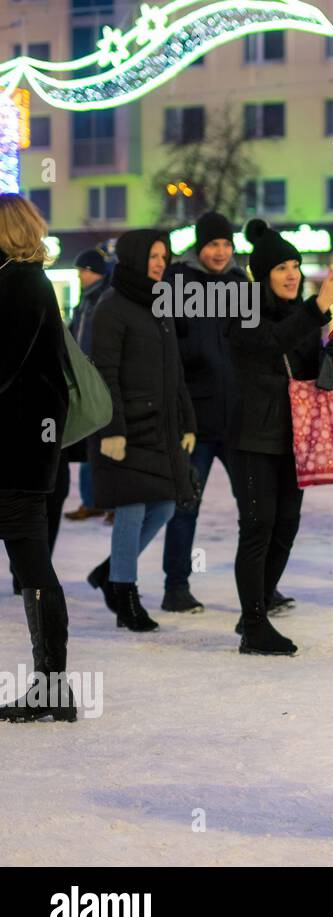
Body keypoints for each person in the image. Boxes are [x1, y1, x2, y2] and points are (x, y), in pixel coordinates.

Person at [224, 220, 333, 653]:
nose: (291, 274)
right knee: (258, 525)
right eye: (281, 267)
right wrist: (318, 308)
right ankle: (255, 623)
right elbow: (269, 343)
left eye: (295, 266)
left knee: (287, 525)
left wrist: (330, 353)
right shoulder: (241, 308)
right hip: (252, 434)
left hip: (296, 434)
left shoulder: (302, 313)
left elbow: (301, 370)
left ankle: (255, 612)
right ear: (262, 275)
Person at [86, 230, 196, 632]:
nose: (159, 262)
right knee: (131, 508)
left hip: (160, 426)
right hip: (126, 428)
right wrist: (112, 430)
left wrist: (187, 421)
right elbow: (104, 373)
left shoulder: (160, 302)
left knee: (165, 505)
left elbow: (175, 371)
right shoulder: (111, 307)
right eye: (152, 255)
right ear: (133, 257)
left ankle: (110, 572)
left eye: (163, 256)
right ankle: (124, 595)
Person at [0, 194, 76, 722]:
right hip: (26, 447)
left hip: (17, 450)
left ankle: (52, 684)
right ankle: (52, 686)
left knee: (32, 562)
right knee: (30, 560)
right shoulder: (23, 281)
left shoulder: (21, 284)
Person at [159, 211, 246, 613]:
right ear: (199, 246)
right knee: (185, 505)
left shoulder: (238, 283)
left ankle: (260, 587)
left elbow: (252, 342)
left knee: (255, 507)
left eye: (227, 244)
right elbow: (165, 344)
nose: (220, 252)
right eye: (213, 244)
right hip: (195, 418)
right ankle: (176, 586)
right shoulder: (177, 282)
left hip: (237, 418)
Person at [62, 247, 110, 522]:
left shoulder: (103, 299)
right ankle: (91, 501)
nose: (79, 275)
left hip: (99, 377)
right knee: (89, 442)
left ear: (94, 273)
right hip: (85, 374)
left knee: (103, 444)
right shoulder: (86, 301)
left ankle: (110, 502)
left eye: (83, 271)